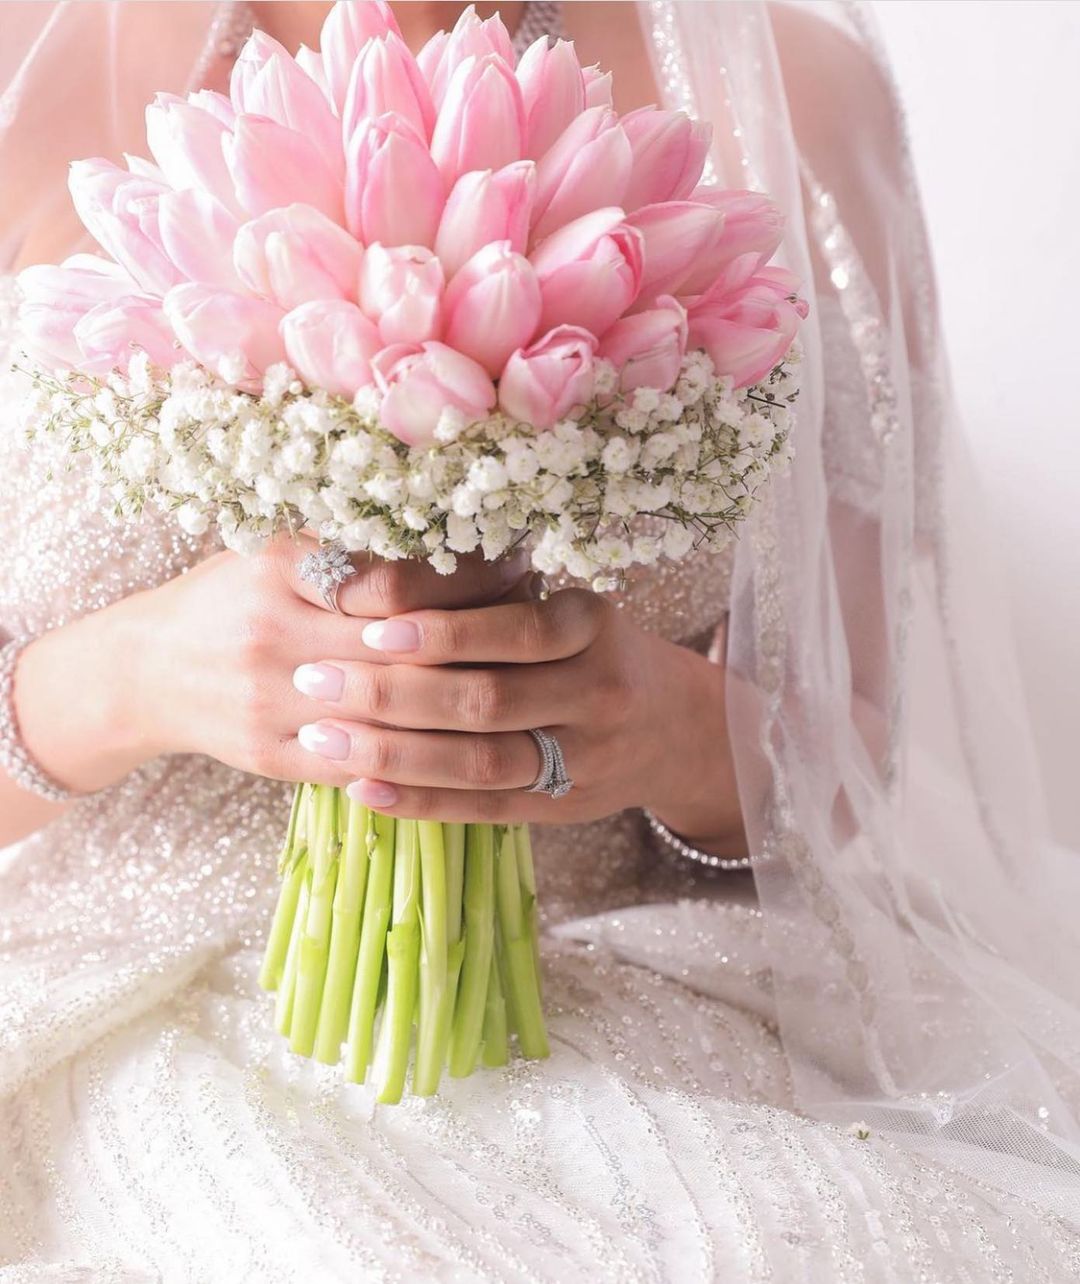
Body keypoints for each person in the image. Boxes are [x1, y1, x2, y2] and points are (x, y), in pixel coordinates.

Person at [1, 3, 1078, 1278]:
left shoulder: (791, 90)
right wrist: (123, 681)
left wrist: (671, 730)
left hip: (609, 984)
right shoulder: (28, 65)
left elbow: (851, 752)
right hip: (114, 988)